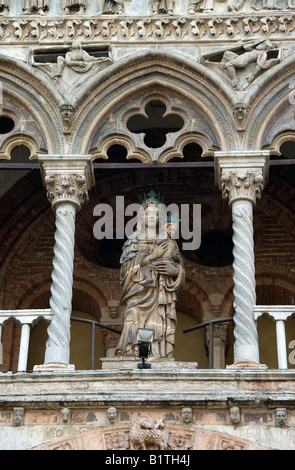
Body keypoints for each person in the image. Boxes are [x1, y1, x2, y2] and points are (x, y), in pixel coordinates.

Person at [115, 193, 185, 359]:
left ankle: (157, 352)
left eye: (155, 214)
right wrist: (152, 257)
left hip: (159, 293)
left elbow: (179, 267)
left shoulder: (168, 242)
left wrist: (175, 272)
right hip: (138, 291)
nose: (152, 217)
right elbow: (126, 269)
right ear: (141, 217)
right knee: (132, 316)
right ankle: (131, 351)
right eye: (148, 214)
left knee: (158, 322)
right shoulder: (133, 240)